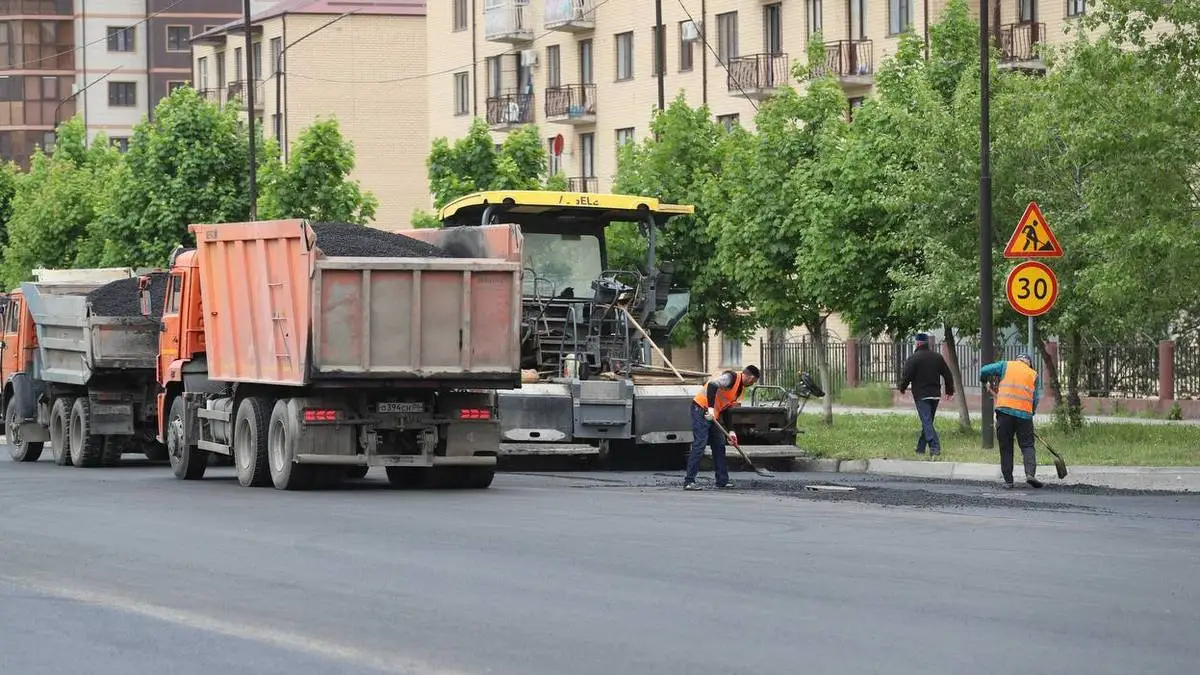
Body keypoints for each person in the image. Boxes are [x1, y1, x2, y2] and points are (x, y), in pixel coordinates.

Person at [684, 365, 760, 491]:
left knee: (719, 444)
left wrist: (731, 431)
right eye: (753, 381)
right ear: (750, 377)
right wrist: (711, 408)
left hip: (714, 414)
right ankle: (689, 481)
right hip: (701, 408)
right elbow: (713, 385)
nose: (752, 384)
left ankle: (722, 481)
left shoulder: (739, 389)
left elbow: (728, 409)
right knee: (700, 444)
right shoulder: (731, 377)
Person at [980, 353, 1044, 489]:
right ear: (1029, 363)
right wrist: (1030, 412)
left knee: (1006, 446)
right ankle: (1030, 474)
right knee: (1027, 446)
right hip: (1024, 415)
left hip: (1004, 413)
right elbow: (1036, 398)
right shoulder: (1033, 374)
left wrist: (985, 381)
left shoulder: (1005, 365)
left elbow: (984, 370)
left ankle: (1009, 481)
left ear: (1017, 360)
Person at [898, 333, 954, 457]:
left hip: (921, 395)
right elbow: (947, 374)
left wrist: (902, 388)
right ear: (927, 343)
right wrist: (949, 391)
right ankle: (920, 448)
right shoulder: (937, 357)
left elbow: (907, 375)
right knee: (927, 421)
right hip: (935, 395)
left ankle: (935, 447)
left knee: (926, 421)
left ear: (917, 343)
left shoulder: (913, 358)